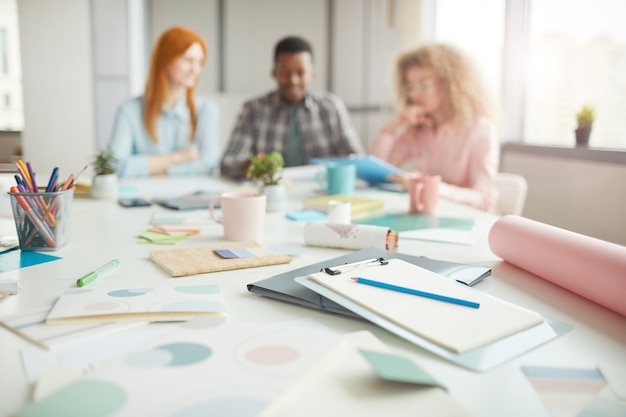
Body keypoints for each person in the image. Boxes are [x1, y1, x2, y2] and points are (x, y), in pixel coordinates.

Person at [369, 44, 500, 211]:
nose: (415, 94)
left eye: (424, 84)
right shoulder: (417, 129)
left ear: (451, 84)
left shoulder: (480, 129)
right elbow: (378, 172)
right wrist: (393, 126)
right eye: (410, 87)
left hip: (464, 221)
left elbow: (484, 199)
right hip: (426, 217)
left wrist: (429, 187)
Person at [220, 36, 364, 179]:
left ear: (312, 74)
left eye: (300, 73)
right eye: (285, 72)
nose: (293, 80)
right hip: (271, 193)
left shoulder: (331, 107)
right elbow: (228, 163)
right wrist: (251, 166)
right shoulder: (253, 109)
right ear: (274, 72)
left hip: (322, 191)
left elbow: (357, 159)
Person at [109, 26, 219, 178]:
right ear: (165, 59)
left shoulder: (207, 109)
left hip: (190, 197)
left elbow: (208, 164)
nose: (195, 69)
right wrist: (179, 158)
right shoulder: (128, 111)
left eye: (200, 62)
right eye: (188, 60)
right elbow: (114, 166)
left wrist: (153, 167)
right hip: (142, 197)